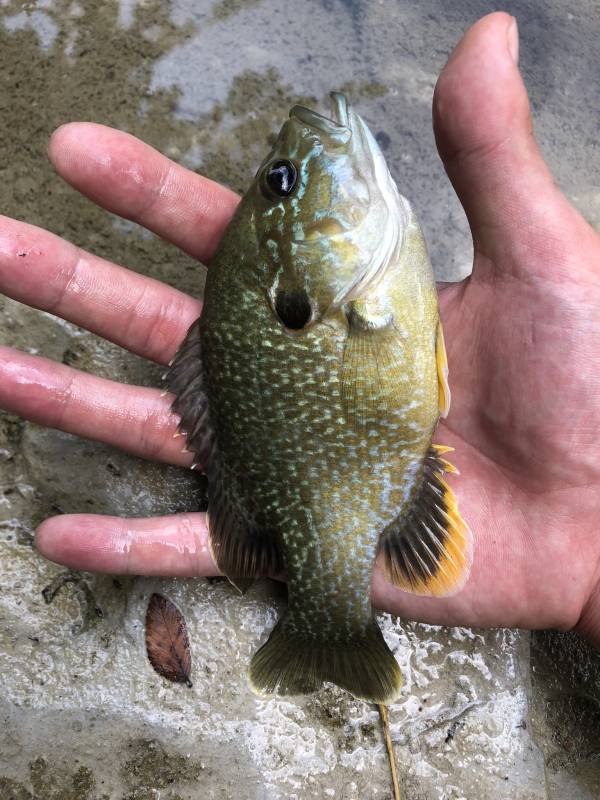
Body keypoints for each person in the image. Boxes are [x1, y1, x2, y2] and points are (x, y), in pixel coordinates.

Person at [0, 13, 598, 646]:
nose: (292, 150)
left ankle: (325, 624)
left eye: (277, 181)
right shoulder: (350, 284)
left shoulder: (350, 283)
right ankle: (332, 625)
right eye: (283, 182)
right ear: (293, 284)